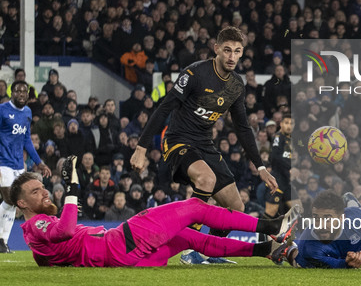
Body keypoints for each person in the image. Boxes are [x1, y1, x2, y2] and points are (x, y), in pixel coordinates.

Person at [131, 26, 277, 262]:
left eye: (237, 51)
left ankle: (205, 251)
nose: (231, 56)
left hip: (204, 144)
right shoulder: (195, 74)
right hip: (178, 141)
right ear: (216, 49)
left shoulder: (236, 85)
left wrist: (260, 167)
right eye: (227, 50)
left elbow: (242, 127)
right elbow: (165, 107)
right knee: (206, 180)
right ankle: (189, 247)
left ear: (242, 53)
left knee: (235, 207)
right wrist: (141, 149)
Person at [12, 156, 298, 267]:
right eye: (35, 192)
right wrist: (72, 185)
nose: (44, 192)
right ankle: (272, 226)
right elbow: (66, 230)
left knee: (190, 238)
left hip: (125, 259)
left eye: (42, 187)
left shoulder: (37, 234)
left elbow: (55, 249)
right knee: (195, 207)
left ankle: (267, 251)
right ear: (21, 204)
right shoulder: (36, 225)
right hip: (118, 243)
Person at [0, 81, 52, 253]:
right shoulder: (2, 110)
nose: (21, 94)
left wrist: (39, 162)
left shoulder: (28, 112)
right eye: (18, 91)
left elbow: (26, 140)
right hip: (3, 163)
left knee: (13, 204)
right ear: (12, 93)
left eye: (24, 92)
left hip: (18, 164)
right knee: (10, 199)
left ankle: (3, 242)